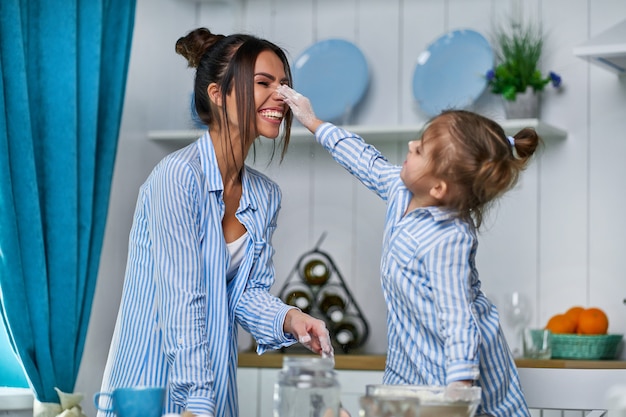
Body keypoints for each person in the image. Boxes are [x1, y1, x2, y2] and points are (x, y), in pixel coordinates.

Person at [97, 29, 333, 417]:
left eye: (285, 85)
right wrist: (197, 402)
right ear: (217, 93)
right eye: (263, 83)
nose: (282, 96)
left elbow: (244, 294)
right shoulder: (176, 177)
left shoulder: (264, 196)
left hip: (212, 389)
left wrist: (289, 318)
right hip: (150, 388)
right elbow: (181, 298)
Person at [277, 85, 539, 417]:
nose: (412, 145)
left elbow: (458, 317)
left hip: (455, 372)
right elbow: (364, 160)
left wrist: (460, 387)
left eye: (421, 150)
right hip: (410, 361)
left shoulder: (448, 237)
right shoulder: (402, 190)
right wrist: (313, 121)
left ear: (439, 187)